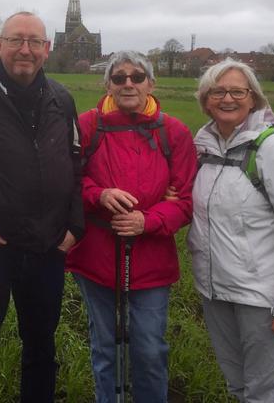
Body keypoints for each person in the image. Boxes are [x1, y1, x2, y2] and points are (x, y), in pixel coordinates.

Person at [0, 11, 83, 403]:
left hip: (47, 247)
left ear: (47, 48)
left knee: (41, 346)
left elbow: (76, 162)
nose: (25, 49)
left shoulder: (62, 99)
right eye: (15, 40)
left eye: (34, 42)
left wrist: (74, 226)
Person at [188, 58, 274, 402]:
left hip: (262, 299)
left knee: (263, 392)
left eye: (237, 91)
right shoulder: (204, 149)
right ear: (205, 100)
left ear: (254, 99)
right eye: (218, 91)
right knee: (237, 385)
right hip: (215, 292)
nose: (227, 99)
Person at [65, 50, 196, 403]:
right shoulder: (87, 126)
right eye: (119, 77)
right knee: (105, 346)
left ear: (151, 83)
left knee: (150, 348)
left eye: (137, 77)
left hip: (152, 258)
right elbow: (68, 181)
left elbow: (186, 201)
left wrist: (146, 221)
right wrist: (100, 194)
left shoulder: (174, 132)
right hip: (97, 255)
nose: (128, 83)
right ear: (107, 84)